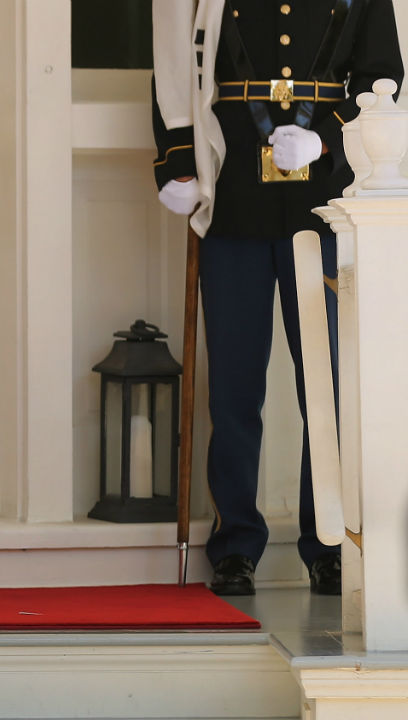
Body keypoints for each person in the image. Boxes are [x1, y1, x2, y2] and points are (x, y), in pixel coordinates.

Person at [151, 0, 402, 596]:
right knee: (235, 388)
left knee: (329, 387)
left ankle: (330, 542)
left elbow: (382, 80)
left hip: (325, 204)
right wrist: (177, 161)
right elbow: (174, 64)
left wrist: (327, 141)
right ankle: (236, 543)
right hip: (233, 189)